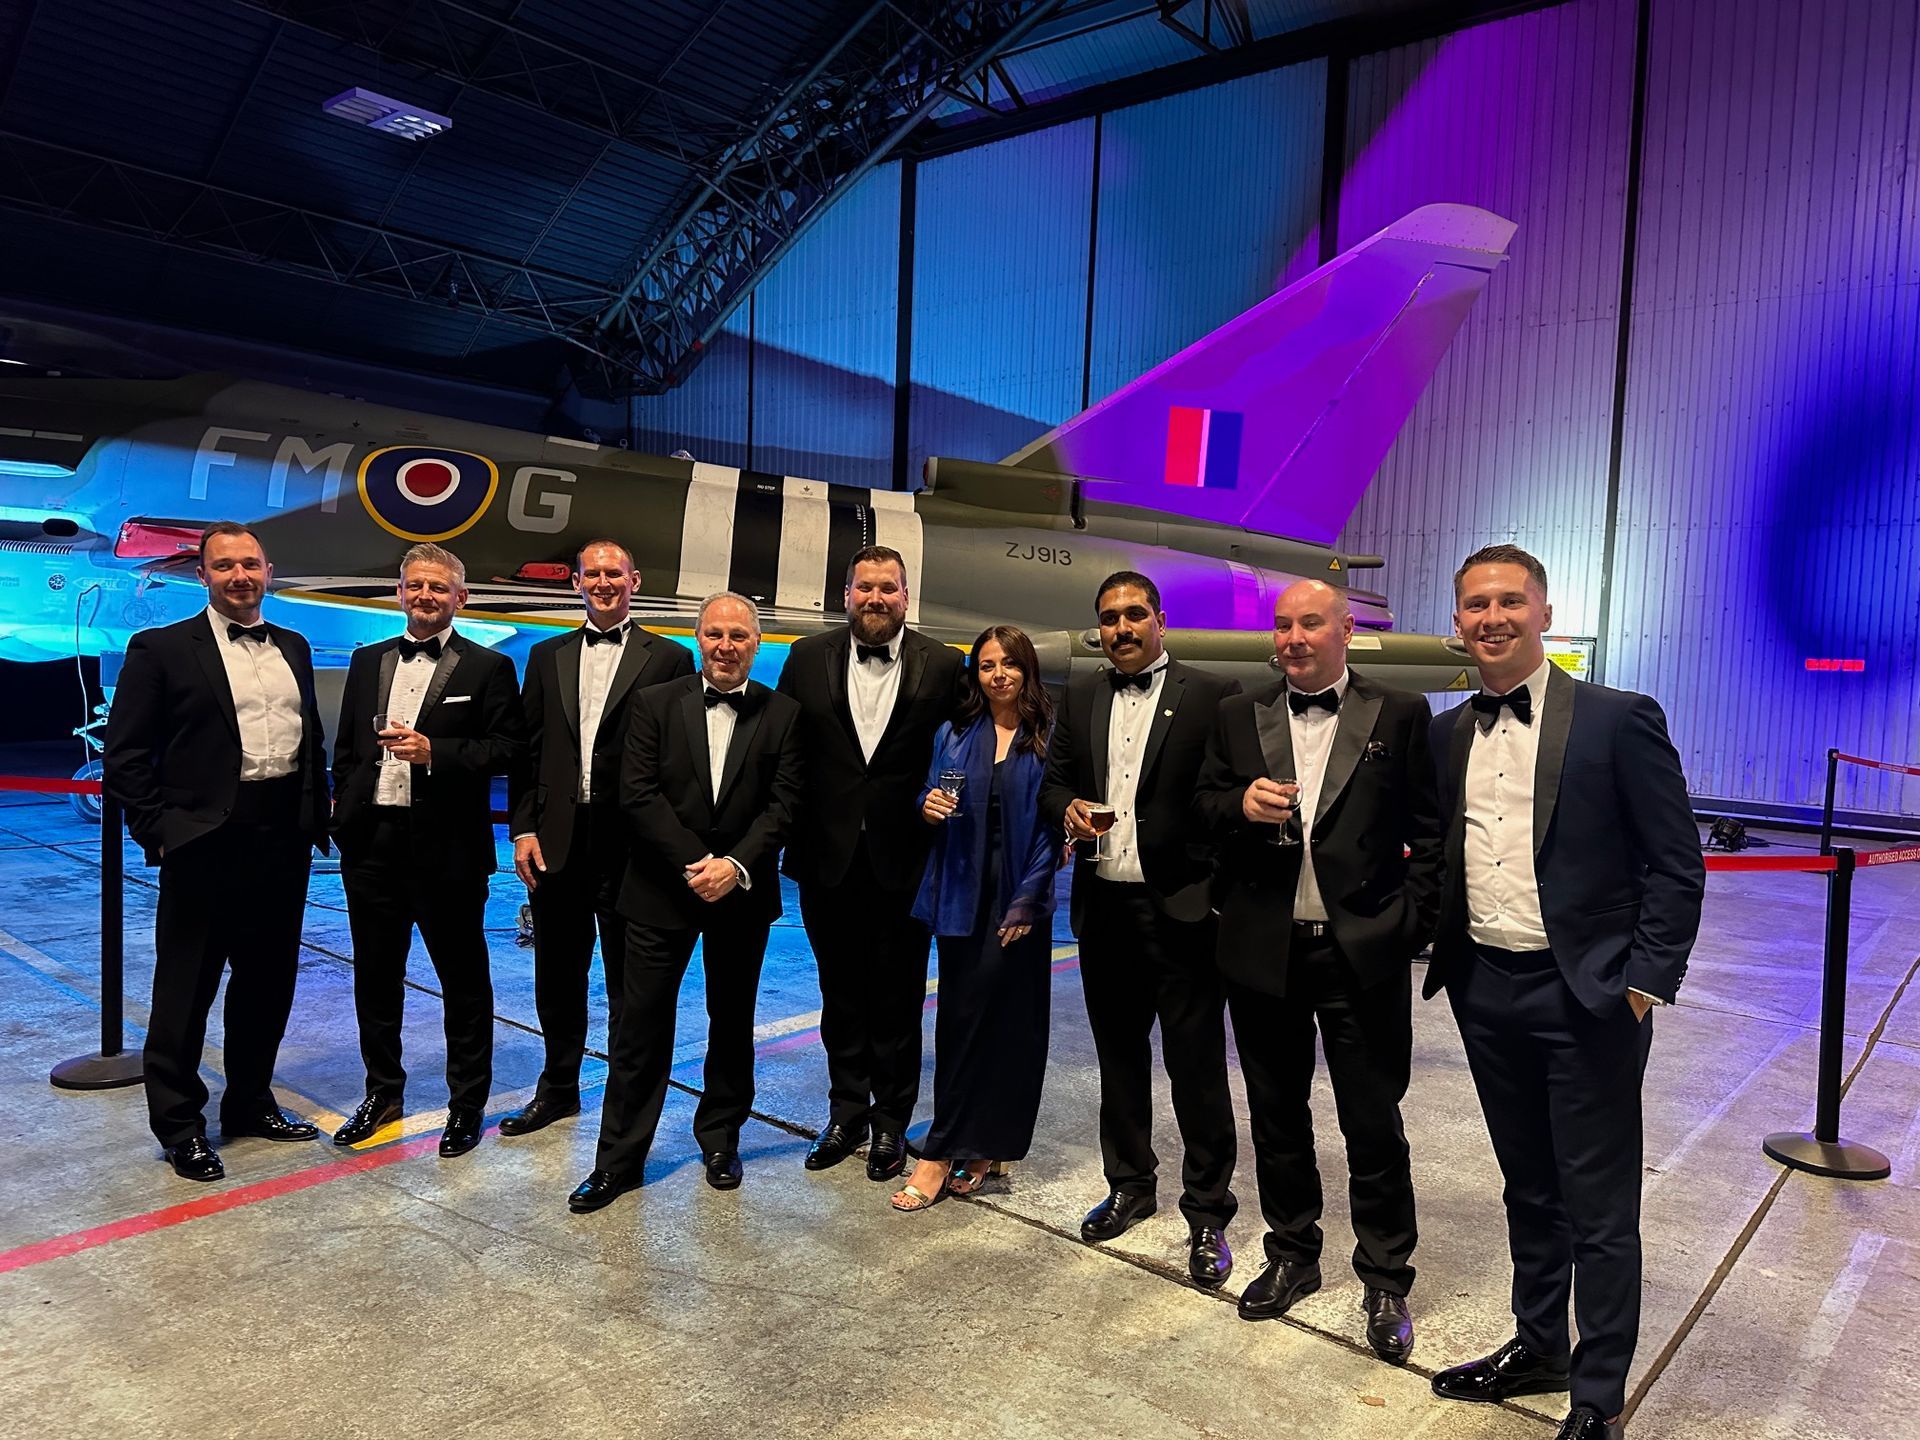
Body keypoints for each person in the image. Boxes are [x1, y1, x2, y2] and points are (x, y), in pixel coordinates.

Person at [1426, 545, 1703, 1440]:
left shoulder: (1619, 719)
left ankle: (1597, 1394)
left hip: (1586, 997)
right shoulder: (1446, 732)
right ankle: (1538, 1345)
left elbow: (1676, 863)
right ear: (1458, 621)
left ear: (1544, 614)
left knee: (1598, 1203)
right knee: (1526, 1186)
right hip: (1485, 987)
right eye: (1476, 605)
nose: (1493, 618)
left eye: (1510, 602)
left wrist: (1643, 984)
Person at [1193, 579, 1441, 1361]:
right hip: (1263, 951)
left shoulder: (1399, 714)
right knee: (1276, 1115)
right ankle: (1292, 1254)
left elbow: (1430, 834)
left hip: (1358, 951)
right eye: (1282, 625)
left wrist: (1406, 928)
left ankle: (1386, 1275)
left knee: (1372, 1121)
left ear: (1345, 632)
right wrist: (1240, 807)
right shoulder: (1239, 711)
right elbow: (1200, 806)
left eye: (1310, 624)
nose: (1294, 637)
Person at [102, 522, 331, 1182]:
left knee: (267, 985)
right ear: (201, 574)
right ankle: (180, 1127)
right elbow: (125, 758)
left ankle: (251, 1103)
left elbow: (306, 739)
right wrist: (162, 834)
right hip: (203, 842)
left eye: (250, 565)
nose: (239, 576)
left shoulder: (293, 645)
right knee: (185, 992)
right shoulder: (161, 649)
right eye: (224, 566)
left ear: (268, 570)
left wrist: (315, 815)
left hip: (281, 836)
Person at [1039, 571, 1242, 1287]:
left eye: (1134, 615)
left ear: (1160, 620)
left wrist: (1214, 893)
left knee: (1195, 1067)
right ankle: (1129, 1183)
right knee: (1118, 1059)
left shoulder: (1211, 695)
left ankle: (1209, 1209)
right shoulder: (1085, 693)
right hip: (1106, 908)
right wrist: (1066, 808)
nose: (1121, 629)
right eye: (1109, 618)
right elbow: (1055, 780)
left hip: (1181, 913)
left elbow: (1224, 800)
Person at [568, 593, 803, 1211]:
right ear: (698, 639)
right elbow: (637, 793)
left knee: (731, 1023)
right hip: (659, 890)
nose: (726, 646)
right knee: (640, 1028)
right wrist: (695, 864)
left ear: (758, 643)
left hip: (741, 893)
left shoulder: (784, 714)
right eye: (715, 634)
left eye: (739, 636)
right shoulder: (653, 704)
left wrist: (734, 866)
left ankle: (721, 1139)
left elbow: (783, 806)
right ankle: (618, 1160)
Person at [777, 545, 967, 1181]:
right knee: (840, 995)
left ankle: (892, 1121)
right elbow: (786, 752)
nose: (876, 598)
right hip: (826, 857)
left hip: (906, 859)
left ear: (906, 597)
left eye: (889, 588)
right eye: (865, 588)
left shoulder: (943, 665)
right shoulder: (806, 658)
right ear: (847, 594)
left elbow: (963, 750)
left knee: (899, 996)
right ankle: (845, 1111)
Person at [330, 543, 524, 1159]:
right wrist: (345, 813)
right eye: (415, 586)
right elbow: (346, 752)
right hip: (372, 848)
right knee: (375, 980)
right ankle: (382, 1092)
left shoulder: (488, 669)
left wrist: (436, 753)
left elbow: (508, 749)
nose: (425, 596)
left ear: (460, 598)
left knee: (464, 984)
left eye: (439, 588)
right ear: (400, 593)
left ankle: (467, 1104)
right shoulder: (367, 662)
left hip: (448, 853)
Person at [502, 539, 693, 1136]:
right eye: (593, 574)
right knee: (558, 975)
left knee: (628, 983)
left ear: (635, 580)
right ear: (577, 584)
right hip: (557, 839)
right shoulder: (545, 656)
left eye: (615, 573)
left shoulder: (670, 658)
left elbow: (677, 762)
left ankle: (623, 1101)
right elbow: (526, 750)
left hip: (631, 845)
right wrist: (523, 826)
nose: (604, 583)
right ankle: (558, 1088)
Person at [890, 626, 1059, 1212]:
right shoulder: (954, 733)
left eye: (1009, 664)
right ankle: (943, 1148)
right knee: (961, 1022)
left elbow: (1053, 825)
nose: (998, 675)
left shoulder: (1049, 737)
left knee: (1013, 1026)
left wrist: (1029, 899)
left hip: (1019, 893)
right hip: (963, 889)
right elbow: (927, 795)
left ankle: (985, 1144)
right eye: (987, 666)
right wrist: (927, 806)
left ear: (1027, 670)